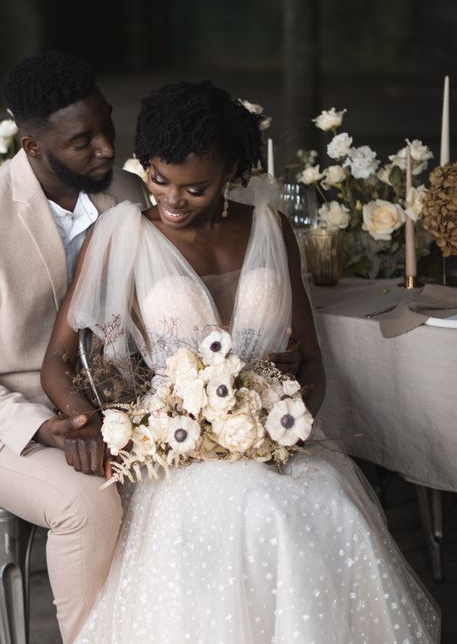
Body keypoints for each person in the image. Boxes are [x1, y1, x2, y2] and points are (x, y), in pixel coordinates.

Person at [41, 80, 440, 643]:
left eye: (195, 188)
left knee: (331, 507)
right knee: (260, 512)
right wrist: (85, 423)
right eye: (157, 179)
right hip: (179, 456)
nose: (172, 201)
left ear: (231, 171)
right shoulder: (121, 234)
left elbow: (313, 365)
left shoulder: (271, 229)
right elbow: (57, 360)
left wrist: (286, 429)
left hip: (279, 441)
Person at [0, 52, 150, 642]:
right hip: (1, 425)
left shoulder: (125, 193)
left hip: (107, 409)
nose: (106, 148)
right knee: (88, 503)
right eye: (83, 141)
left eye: (107, 124)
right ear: (31, 145)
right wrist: (45, 426)